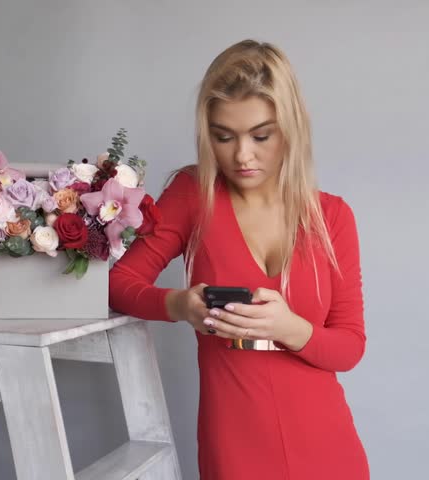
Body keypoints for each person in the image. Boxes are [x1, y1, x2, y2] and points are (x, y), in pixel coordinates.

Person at [109, 39, 369, 479]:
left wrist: (290, 328)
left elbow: (350, 347)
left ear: (292, 128)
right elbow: (118, 283)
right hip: (235, 444)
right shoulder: (194, 194)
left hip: (327, 445)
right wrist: (178, 306)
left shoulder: (332, 217)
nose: (242, 155)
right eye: (223, 136)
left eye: (261, 136)